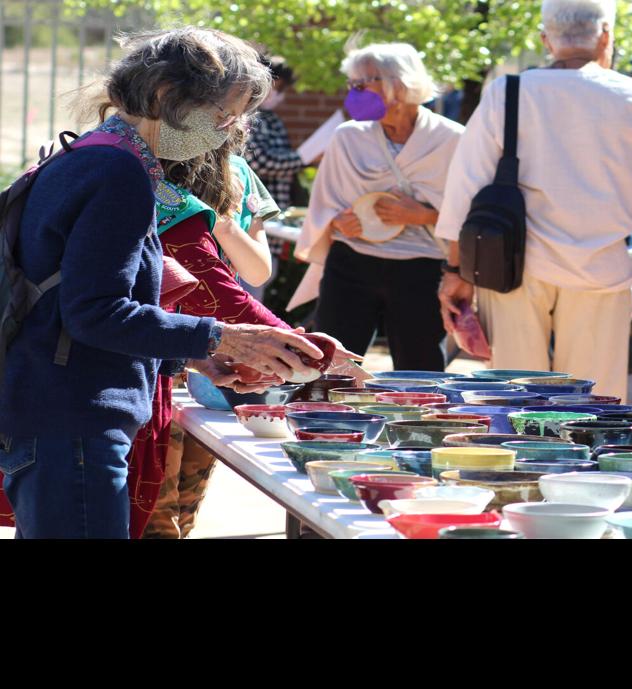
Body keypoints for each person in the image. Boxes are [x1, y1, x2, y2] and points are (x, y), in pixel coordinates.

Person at [0, 26, 320, 539]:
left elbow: (72, 306)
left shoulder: (96, 154)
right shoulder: (118, 171)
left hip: (52, 411)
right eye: (223, 114)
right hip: (72, 420)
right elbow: (95, 312)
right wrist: (224, 336)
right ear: (168, 96)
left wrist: (196, 358)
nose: (228, 131)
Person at [437, 0, 632, 399]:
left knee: (513, 398)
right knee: (593, 404)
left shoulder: (508, 92)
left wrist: (455, 271)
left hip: (514, 266)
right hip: (601, 266)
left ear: (545, 40)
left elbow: (464, 190)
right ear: (606, 35)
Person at [145, 134, 365, 539]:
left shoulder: (239, 175)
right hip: (156, 359)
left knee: (183, 501)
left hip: (210, 356)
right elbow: (208, 286)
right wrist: (298, 344)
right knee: (155, 503)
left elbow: (253, 274)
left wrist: (223, 226)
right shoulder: (150, 173)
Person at [298, 43, 463, 371]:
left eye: (362, 84)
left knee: (420, 370)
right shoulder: (347, 136)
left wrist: (423, 215)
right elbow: (324, 205)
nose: (353, 92)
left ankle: (417, 423)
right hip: (351, 263)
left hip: (421, 267)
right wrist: (338, 222)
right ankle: (328, 423)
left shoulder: (452, 139)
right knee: (331, 367)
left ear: (398, 83)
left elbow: (465, 212)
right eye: (352, 84)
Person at [244, 56, 305, 210]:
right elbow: (259, 161)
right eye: (278, 87)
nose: (279, 94)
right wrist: (303, 159)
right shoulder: (248, 117)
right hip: (257, 207)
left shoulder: (273, 118)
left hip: (279, 203)